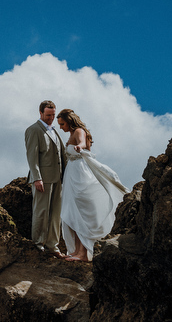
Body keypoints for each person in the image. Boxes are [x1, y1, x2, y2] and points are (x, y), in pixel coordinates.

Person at [56, 109, 130, 262]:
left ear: (69, 122)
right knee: (72, 213)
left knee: (82, 213)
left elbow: (82, 142)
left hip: (80, 173)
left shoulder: (78, 131)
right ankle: (75, 251)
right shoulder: (71, 134)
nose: (61, 127)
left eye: (62, 124)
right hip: (71, 174)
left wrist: (79, 147)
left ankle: (83, 254)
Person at [25, 100, 67, 258]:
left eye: (53, 115)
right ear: (41, 113)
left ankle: (53, 246)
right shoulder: (33, 130)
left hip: (58, 178)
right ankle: (38, 244)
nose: (51, 118)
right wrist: (37, 178)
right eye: (48, 115)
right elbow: (32, 157)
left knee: (56, 213)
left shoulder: (54, 131)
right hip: (42, 179)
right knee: (41, 212)